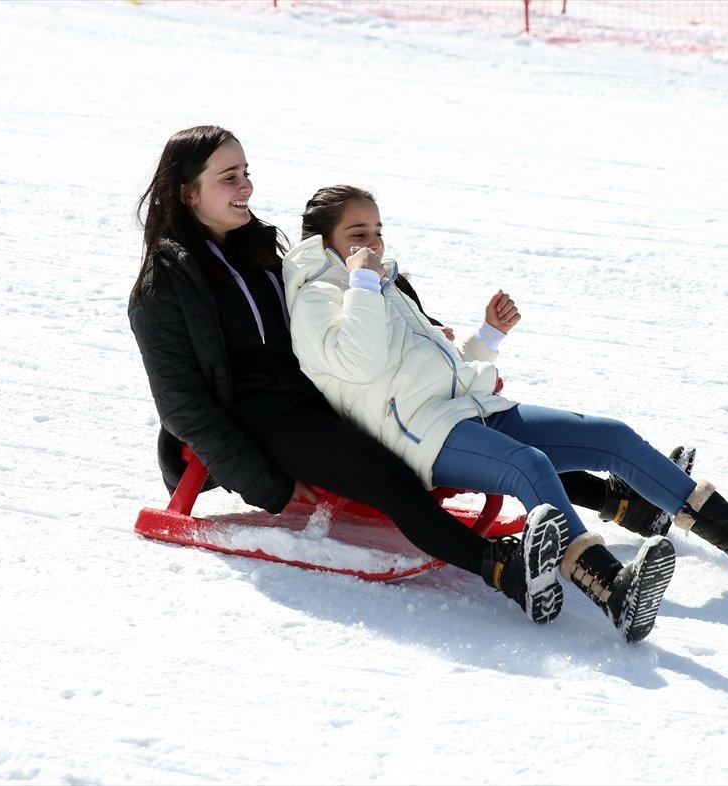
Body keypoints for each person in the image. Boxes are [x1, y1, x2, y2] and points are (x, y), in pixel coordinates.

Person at [282, 186, 728, 643]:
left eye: (377, 229)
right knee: (530, 466)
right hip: (426, 434)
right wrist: (365, 283)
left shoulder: (378, 285)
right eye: (357, 233)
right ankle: (610, 589)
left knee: (612, 437)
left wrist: (486, 337)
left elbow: (429, 365)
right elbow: (363, 359)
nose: (372, 243)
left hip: (470, 407)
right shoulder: (318, 298)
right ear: (323, 240)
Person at [128, 126, 570, 627]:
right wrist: (269, 487)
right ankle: (505, 571)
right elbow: (185, 406)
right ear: (189, 193)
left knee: (441, 435)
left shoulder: (262, 249)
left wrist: (420, 331)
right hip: (263, 419)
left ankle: (606, 496)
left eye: (246, 173)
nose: (246, 186)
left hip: (323, 392)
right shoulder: (163, 288)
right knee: (393, 477)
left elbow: (336, 295)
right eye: (230, 177)